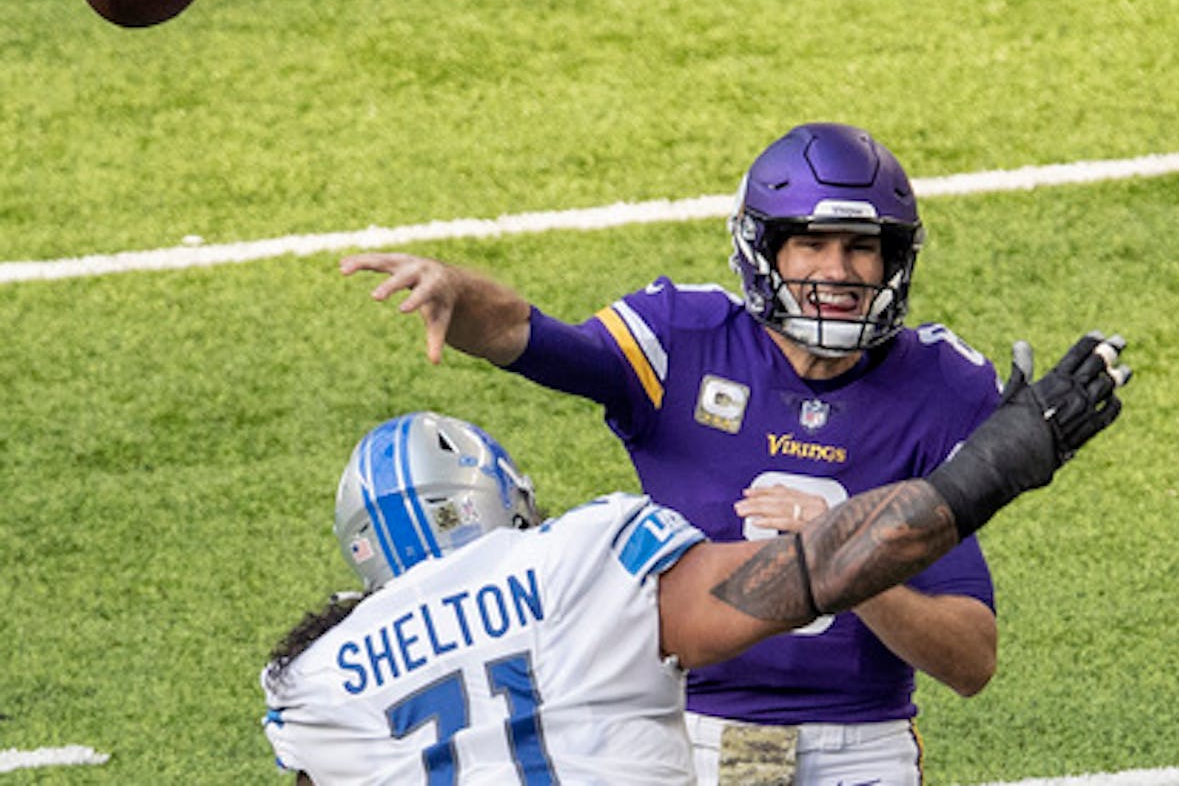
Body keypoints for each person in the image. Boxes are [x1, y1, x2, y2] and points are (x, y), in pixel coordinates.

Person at [339, 123, 1028, 781]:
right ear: (765, 249)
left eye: (861, 246)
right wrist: (457, 294)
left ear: (894, 258)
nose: (839, 271)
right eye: (811, 245)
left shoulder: (937, 384)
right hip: (685, 731)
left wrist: (841, 557)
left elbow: (969, 658)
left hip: (861, 744)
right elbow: (532, 336)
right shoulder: (684, 340)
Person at [260, 333, 1130, 784]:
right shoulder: (580, 565)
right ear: (504, 499)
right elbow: (817, 570)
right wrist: (993, 467)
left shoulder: (315, 681)